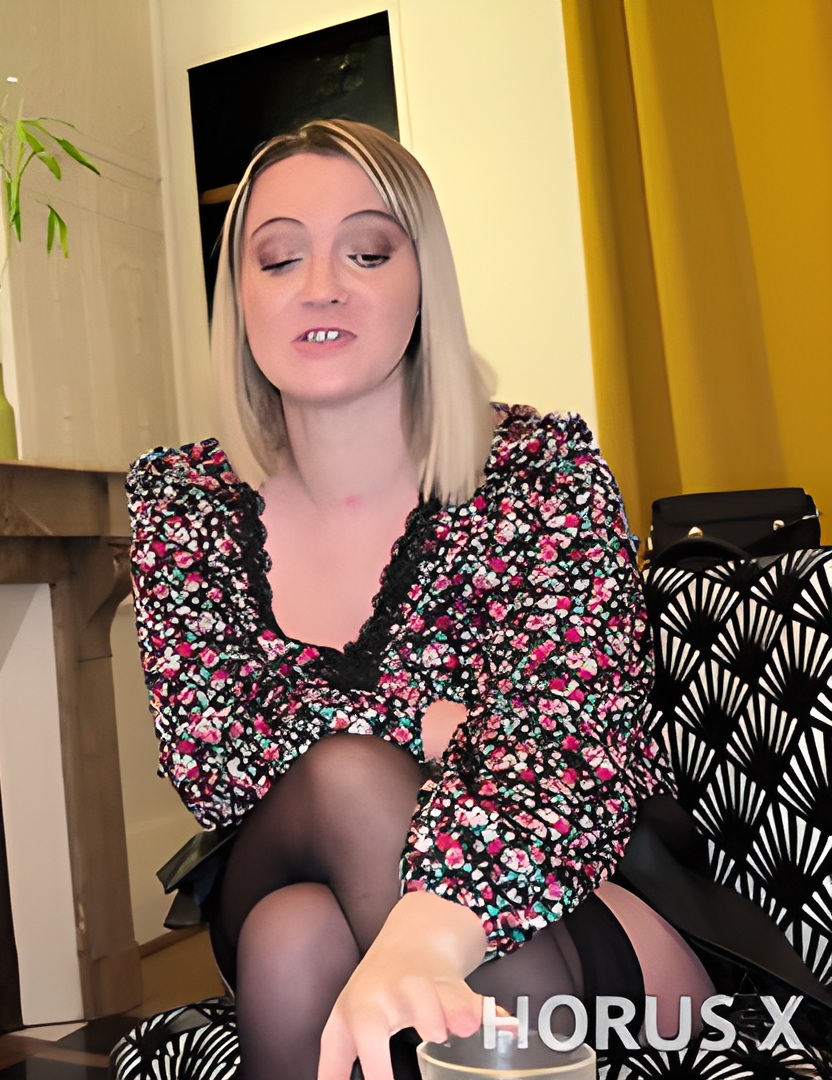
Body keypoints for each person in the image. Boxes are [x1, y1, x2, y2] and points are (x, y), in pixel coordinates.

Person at [126, 119, 715, 1080]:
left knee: (293, 937)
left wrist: (431, 926)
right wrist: (428, 722)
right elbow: (211, 757)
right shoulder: (184, 497)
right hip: (287, 853)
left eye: (367, 252)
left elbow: (569, 743)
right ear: (240, 297)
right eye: (279, 258)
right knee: (345, 786)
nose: (321, 285)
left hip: (558, 872)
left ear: (423, 283)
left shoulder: (540, 470)